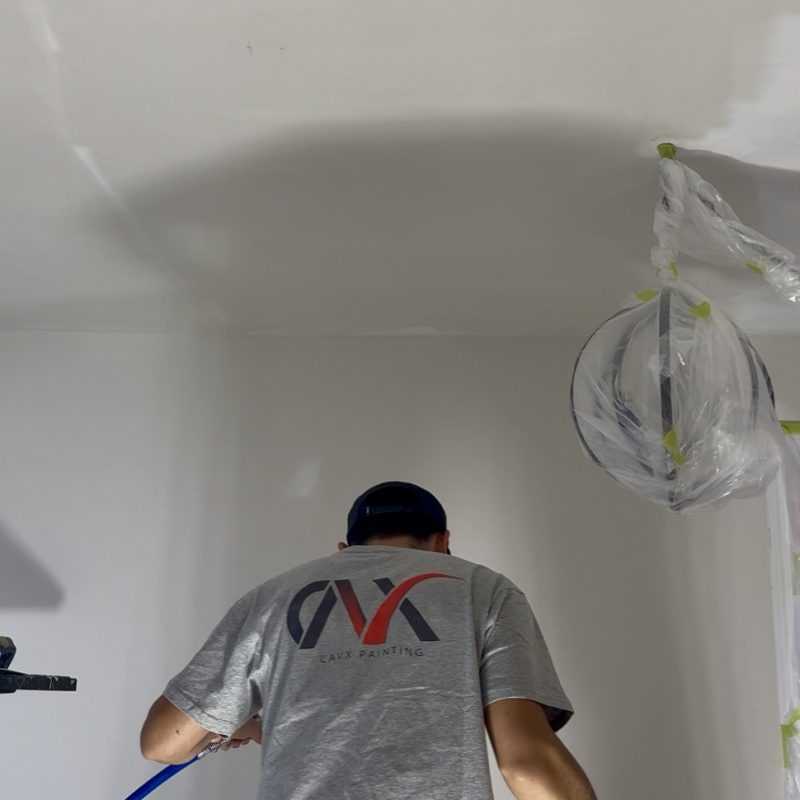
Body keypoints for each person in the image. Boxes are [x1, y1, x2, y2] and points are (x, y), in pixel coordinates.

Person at [140, 481, 597, 800]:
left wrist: (242, 725)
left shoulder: (272, 597)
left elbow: (162, 743)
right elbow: (526, 762)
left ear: (346, 549)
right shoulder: (483, 589)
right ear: (442, 541)